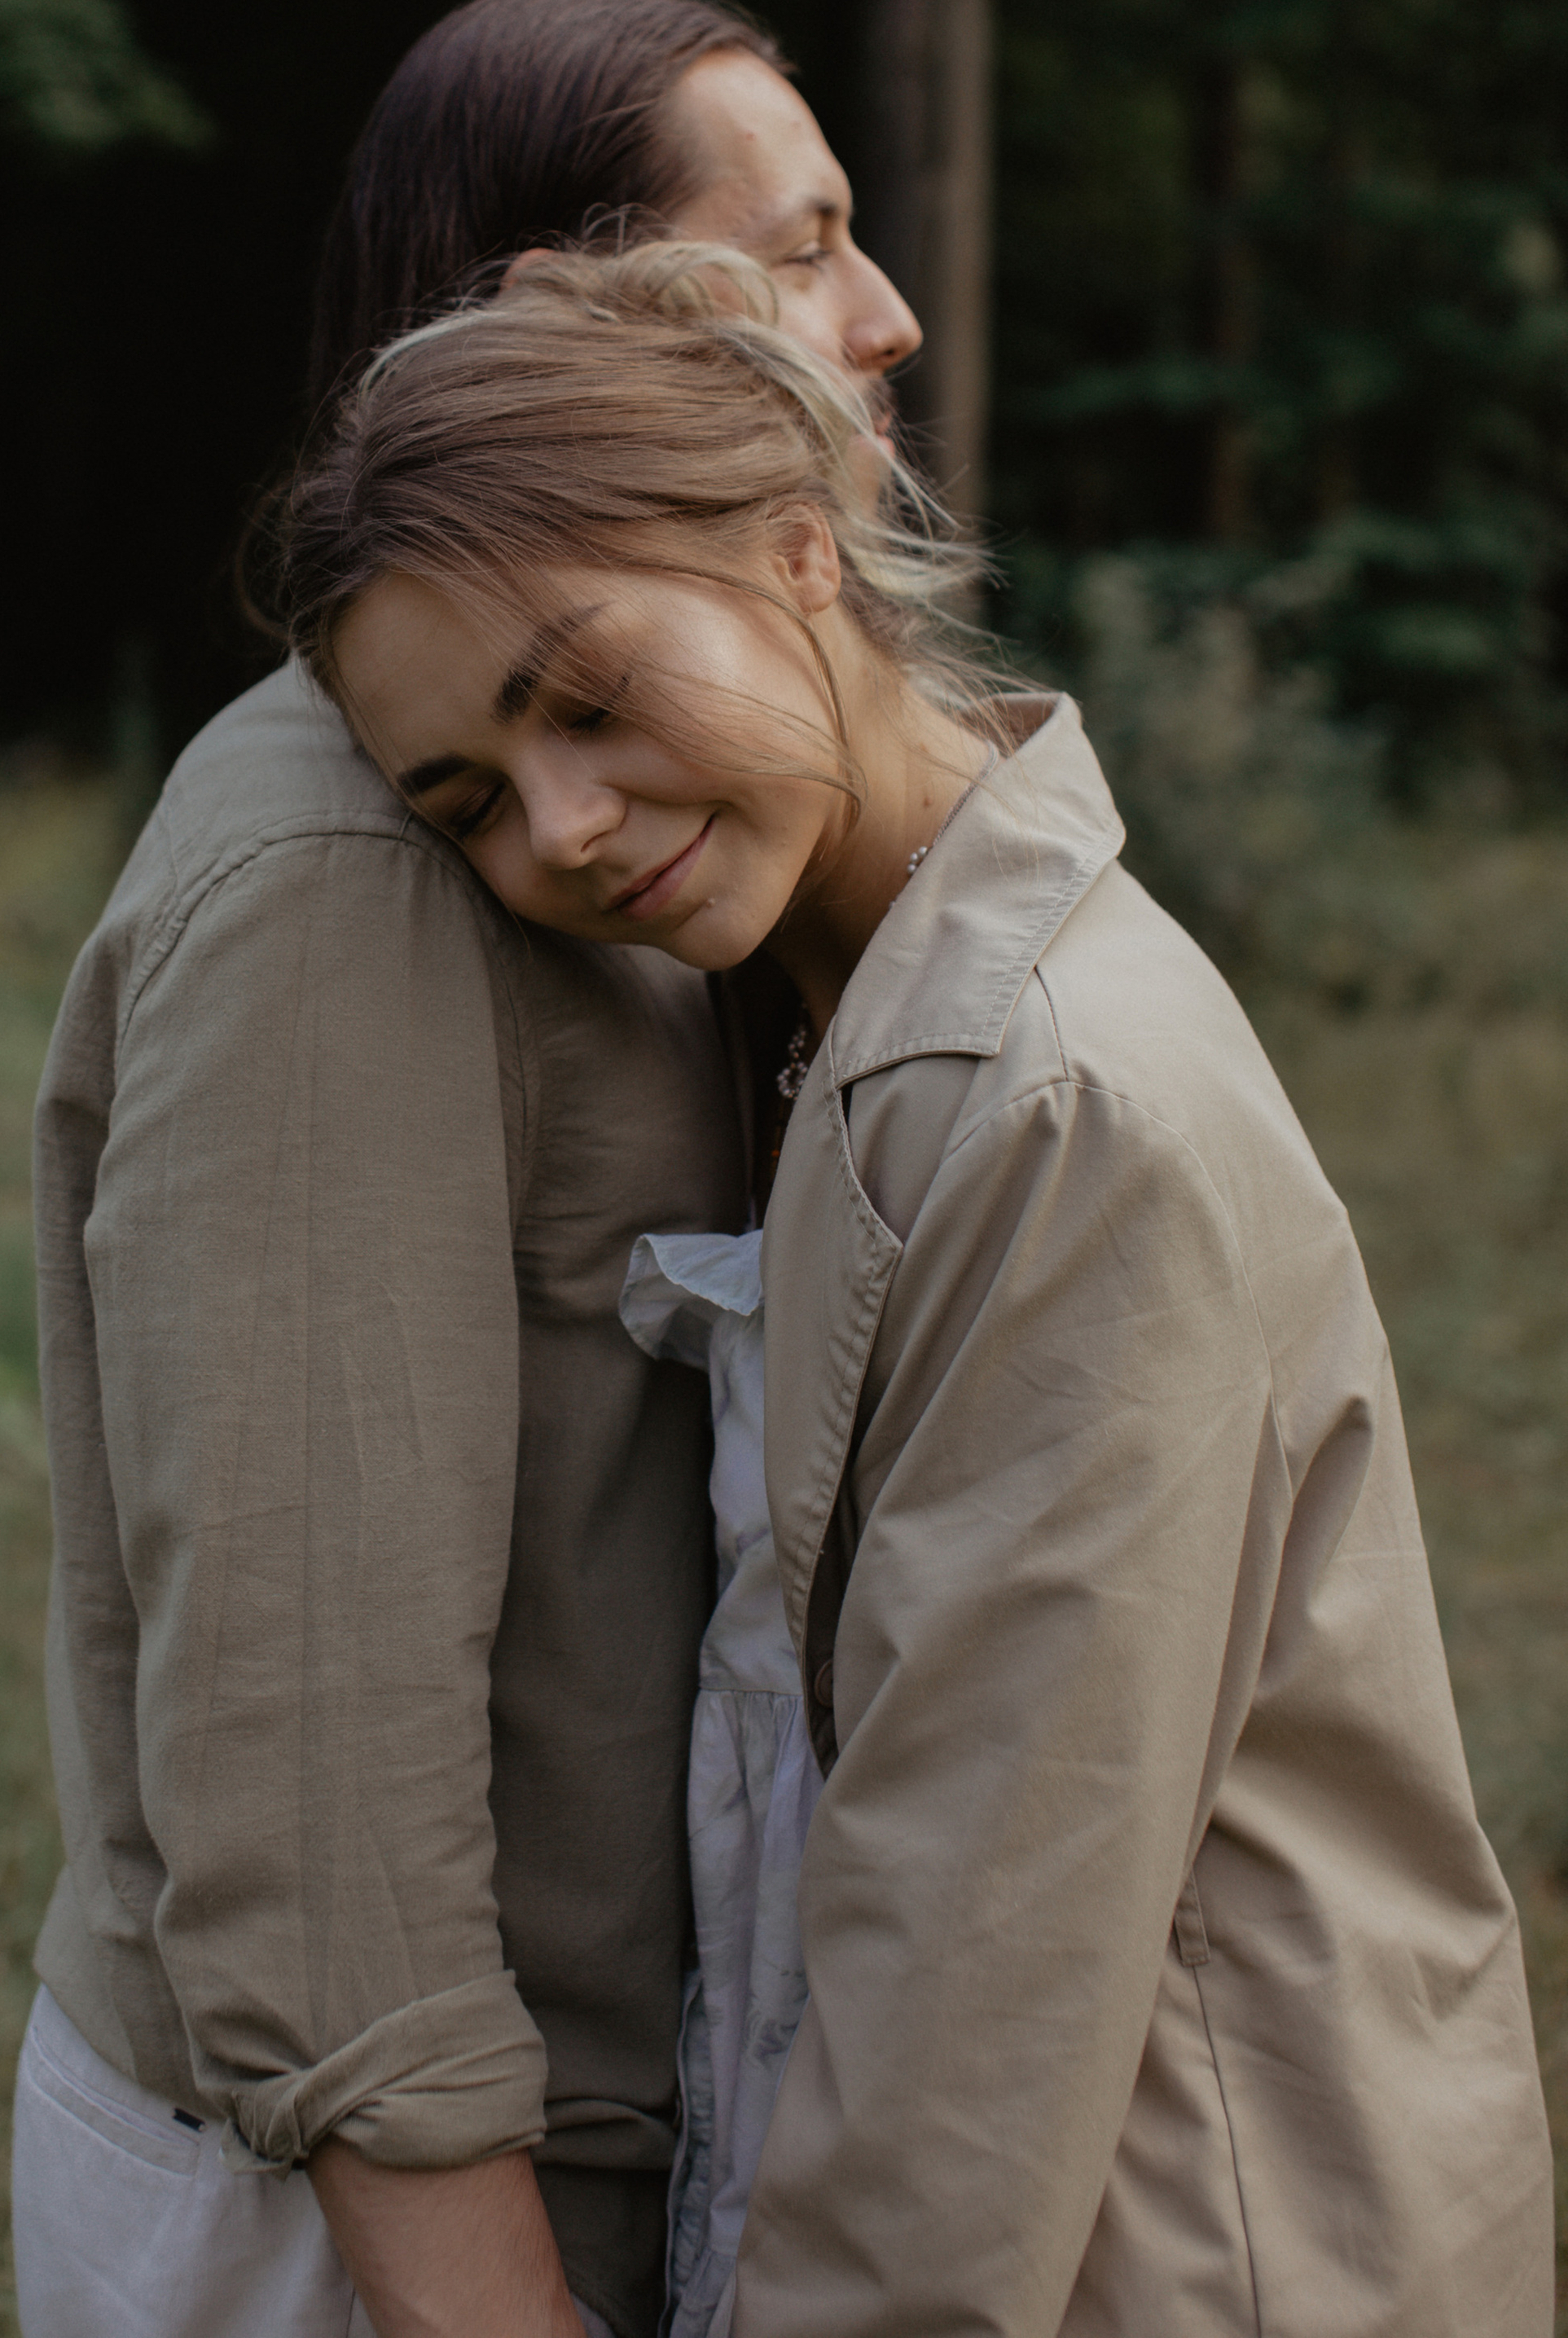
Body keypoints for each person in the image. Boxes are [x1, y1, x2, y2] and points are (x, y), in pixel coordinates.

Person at [272, 241, 1557, 2338]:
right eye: (467, 804)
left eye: (583, 696)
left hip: (1194, 2255)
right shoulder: (827, 1009)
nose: (565, 832)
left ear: (797, 549)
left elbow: (979, 1988)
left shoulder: (1061, 1109)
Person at [12, 0, 924, 2338]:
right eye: (806, 243)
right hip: (375, 2223)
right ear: (567, 310)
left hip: (588, 2140)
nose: (884, 314)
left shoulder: (611, 825)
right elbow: (308, 1770)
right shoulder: (356, 884)